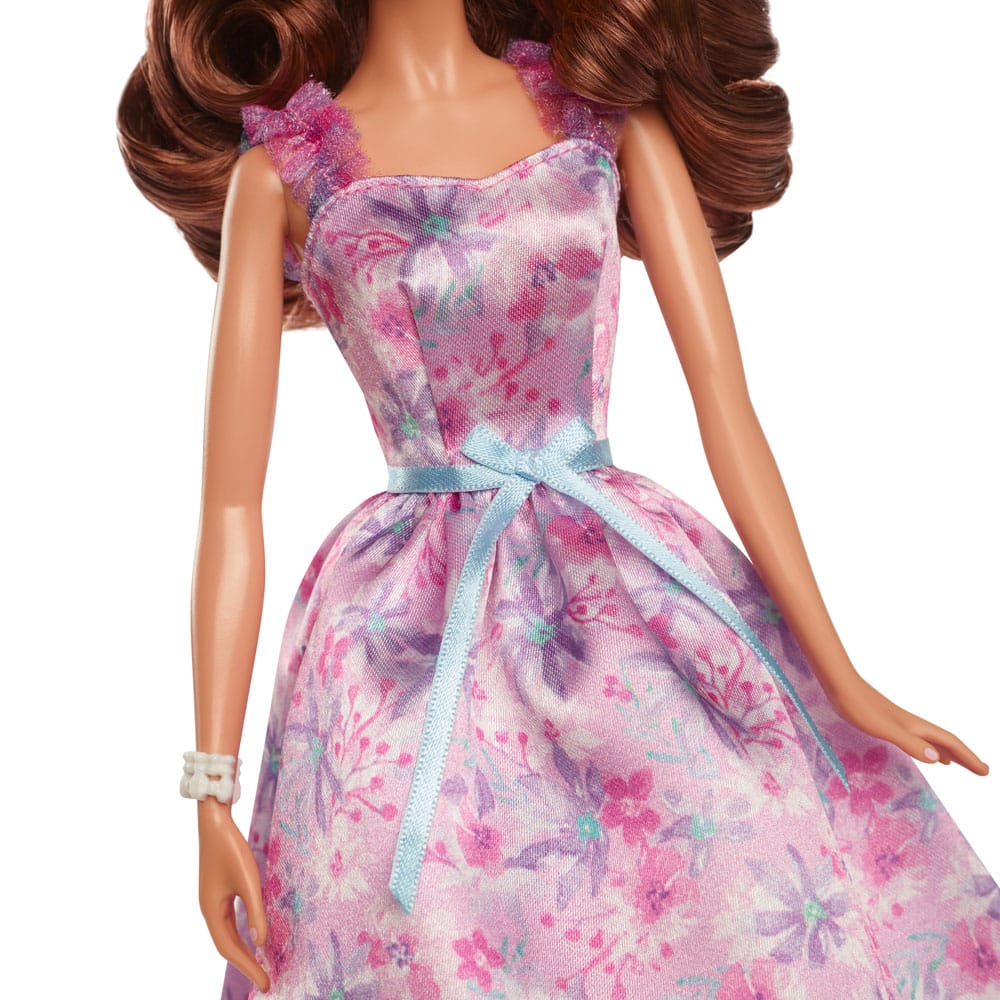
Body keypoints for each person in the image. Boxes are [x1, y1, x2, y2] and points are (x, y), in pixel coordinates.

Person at [117, 1, 998, 997]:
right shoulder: (283, 175)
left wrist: (840, 674)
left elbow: (727, 407)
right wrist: (210, 792)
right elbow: (230, 511)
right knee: (420, 917)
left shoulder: (601, 121)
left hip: (624, 588)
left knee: (743, 872)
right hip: (407, 640)